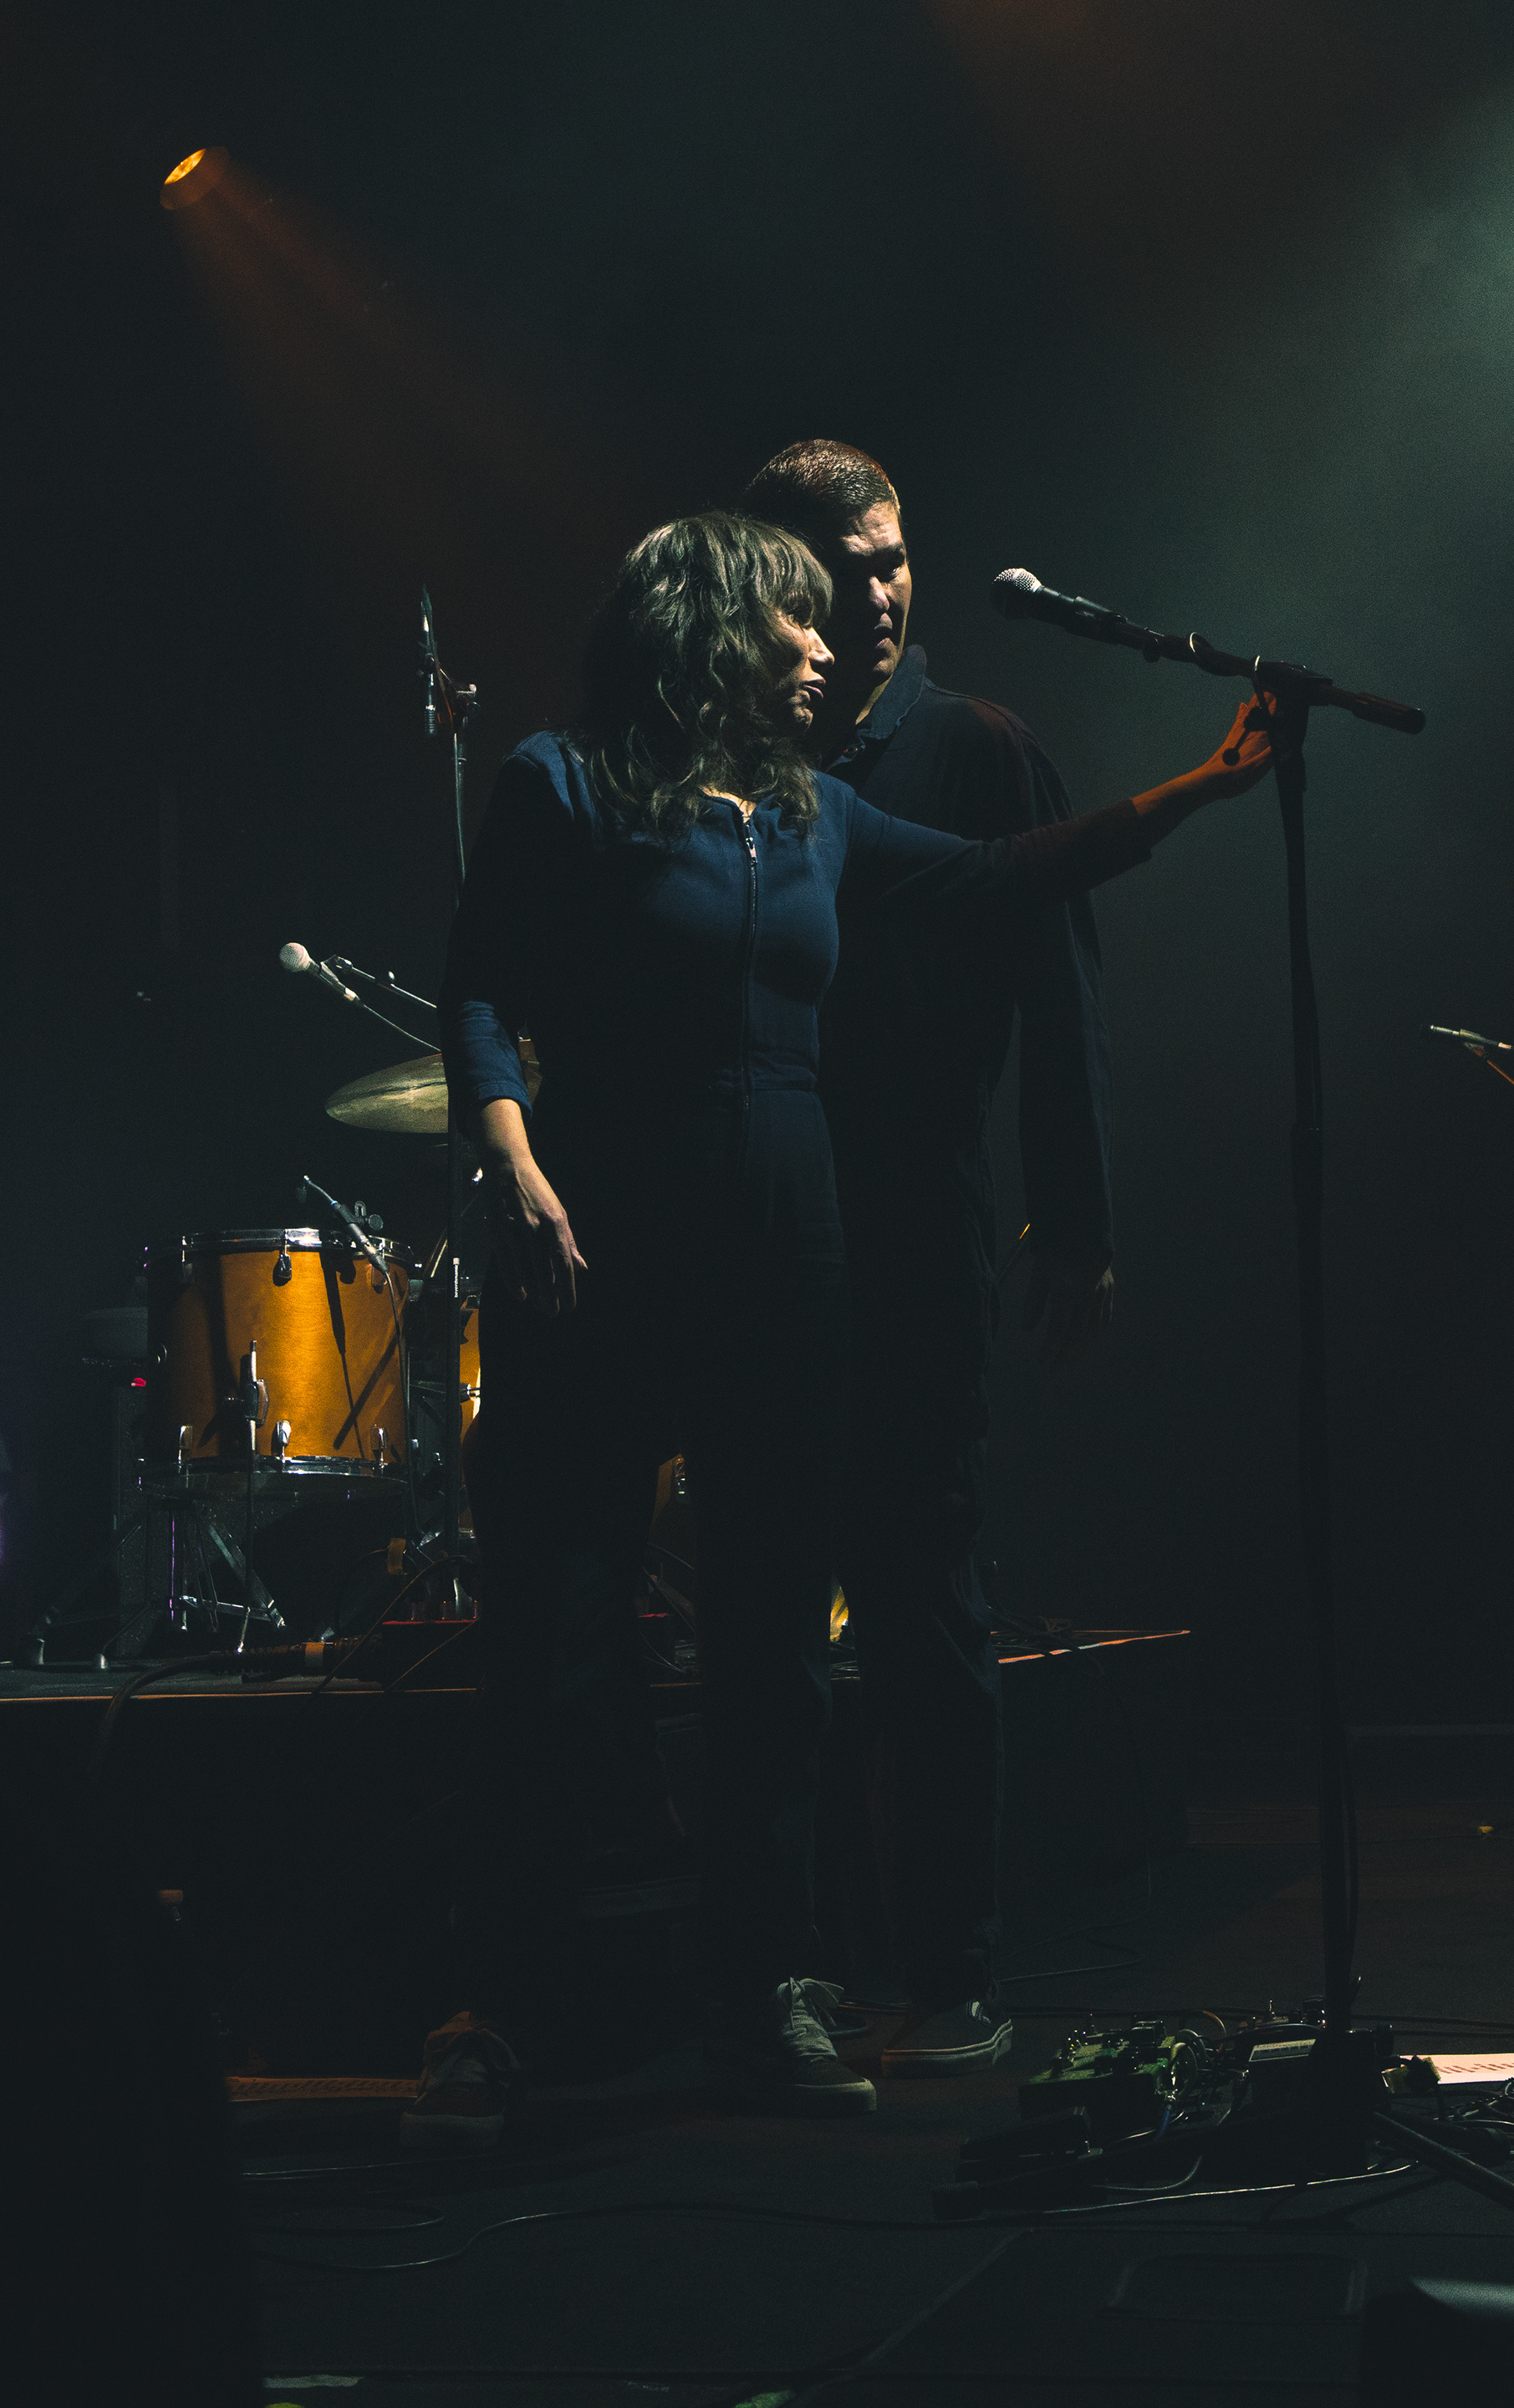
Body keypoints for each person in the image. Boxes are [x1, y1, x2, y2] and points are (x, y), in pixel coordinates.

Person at [404, 510, 1286, 2151]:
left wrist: (1199, 790)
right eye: (797, 619)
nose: (830, 645)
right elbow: (478, 990)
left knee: (773, 1655)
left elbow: (998, 877)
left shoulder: (813, 814)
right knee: (557, 1641)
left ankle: (761, 1991)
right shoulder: (561, 781)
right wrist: (511, 1159)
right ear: (710, 631)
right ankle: (499, 2010)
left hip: (785, 1262)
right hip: (599, 1258)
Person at [742, 438, 1119, 2073]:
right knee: (769, 1611)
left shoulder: (973, 745)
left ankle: (950, 1968)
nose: (883, 593)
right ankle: (796, 1967)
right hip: (767, 1228)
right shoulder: (740, 758)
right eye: (849, 569)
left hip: (909, 1219)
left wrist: (1077, 1219)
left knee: (919, 1594)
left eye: (895, 559)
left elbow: (1061, 989)